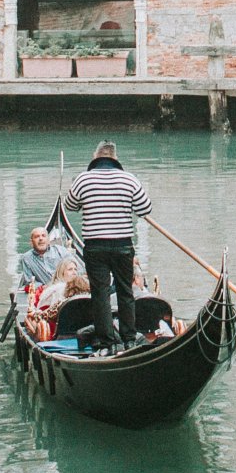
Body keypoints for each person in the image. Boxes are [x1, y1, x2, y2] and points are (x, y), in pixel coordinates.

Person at [65, 139, 151, 353]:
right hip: (122, 245)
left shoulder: (83, 179)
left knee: (100, 294)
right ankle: (129, 339)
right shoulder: (129, 179)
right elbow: (145, 208)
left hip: (95, 246)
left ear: (95, 157)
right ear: (115, 157)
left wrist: (87, 201)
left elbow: (70, 205)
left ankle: (107, 343)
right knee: (125, 291)